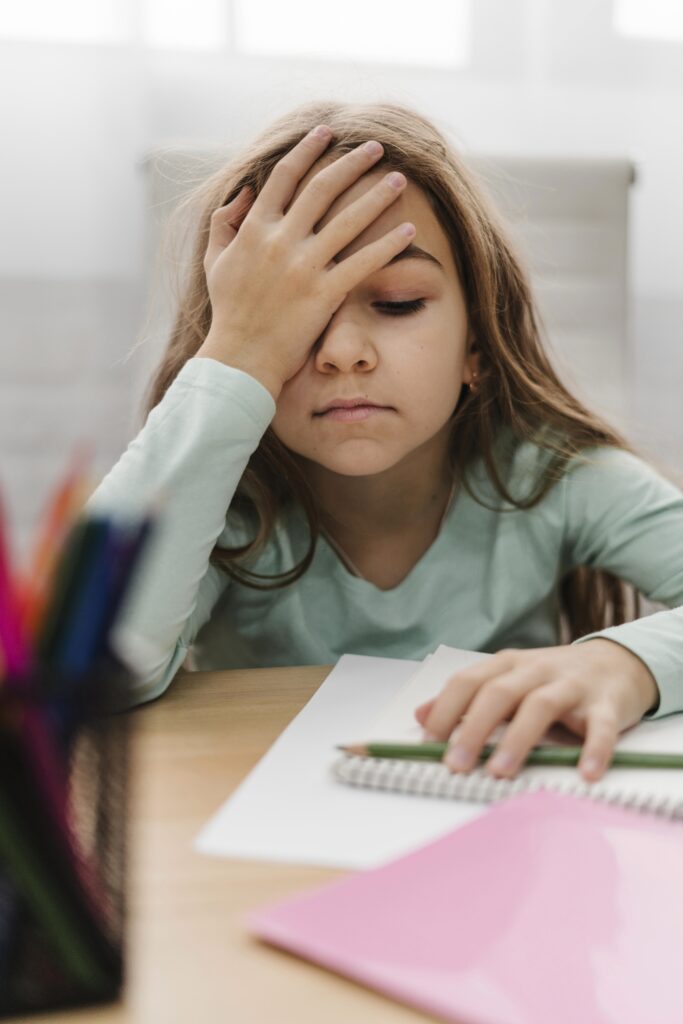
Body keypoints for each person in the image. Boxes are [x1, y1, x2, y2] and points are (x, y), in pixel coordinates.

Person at [87, 100, 683, 784]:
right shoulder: (230, 503)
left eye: (398, 302)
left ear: (477, 346)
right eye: (290, 317)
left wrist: (623, 664)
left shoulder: (554, 475)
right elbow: (89, 670)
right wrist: (241, 354)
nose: (343, 352)